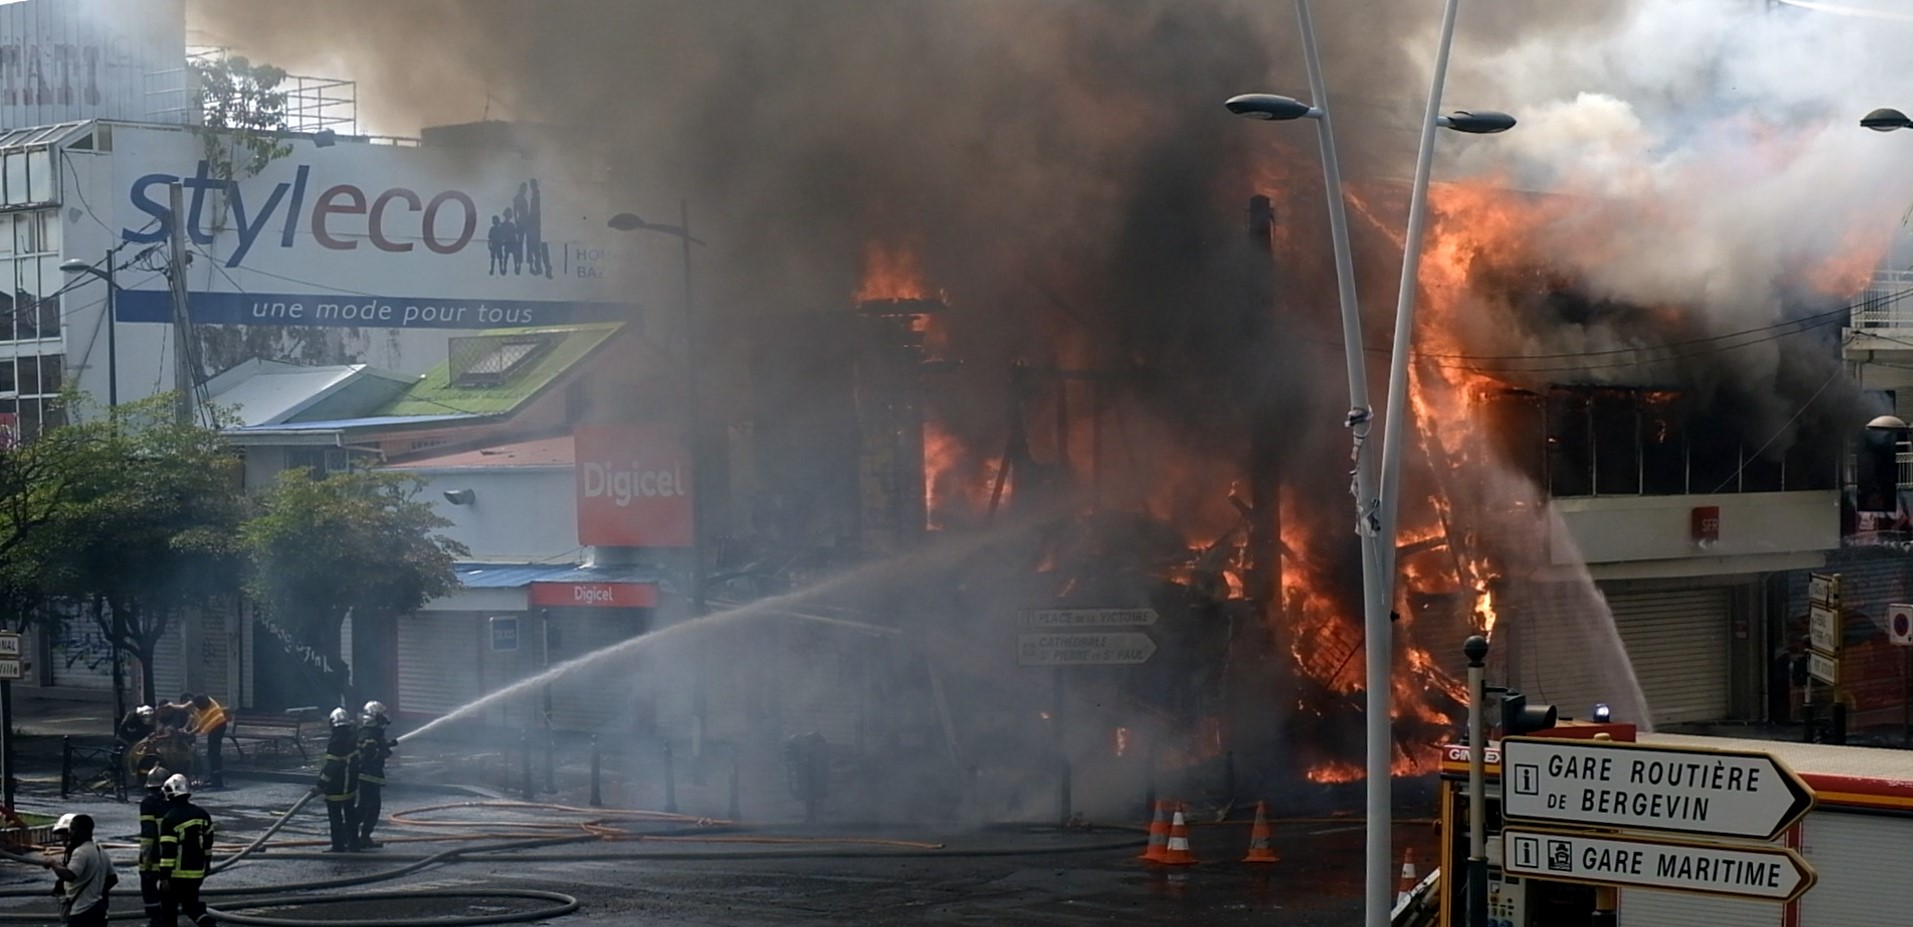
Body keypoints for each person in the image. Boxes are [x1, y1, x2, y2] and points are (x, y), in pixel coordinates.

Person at [156, 774, 214, 927]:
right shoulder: (202, 814)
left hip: (176, 874)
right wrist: (207, 865)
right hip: (197, 872)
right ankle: (205, 921)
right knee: (190, 905)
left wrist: (164, 876)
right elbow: (208, 845)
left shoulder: (170, 819)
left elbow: (168, 851)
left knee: (168, 910)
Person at [44, 813, 115, 927]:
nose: (69, 833)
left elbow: (70, 875)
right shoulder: (99, 849)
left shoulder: (80, 852)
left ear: (83, 831)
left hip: (81, 912)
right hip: (98, 909)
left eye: (73, 829)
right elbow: (112, 878)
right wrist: (96, 891)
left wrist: (53, 863)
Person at [316, 707, 361, 852]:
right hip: (351, 786)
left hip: (337, 786)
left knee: (335, 818)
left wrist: (321, 784)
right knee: (350, 816)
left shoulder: (335, 741)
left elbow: (332, 767)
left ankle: (338, 845)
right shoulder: (352, 737)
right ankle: (354, 844)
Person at [355, 700, 399, 849]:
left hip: (370, 774)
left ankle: (356, 836)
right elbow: (368, 753)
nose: (384, 717)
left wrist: (386, 746)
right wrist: (382, 752)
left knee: (366, 807)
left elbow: (374, 748)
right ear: (375, 716)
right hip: (369, 774)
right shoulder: (369, 732)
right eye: (381, 714)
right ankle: (357, 836)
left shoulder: (371, 731)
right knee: (370, 807)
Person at [137, 765, 171, 924]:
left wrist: (146, 857)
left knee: (148, 883)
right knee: (169, 887)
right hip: (170, 853)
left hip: (154, 853)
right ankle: (166, 916)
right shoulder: (174, 801)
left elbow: (148, 833)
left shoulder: (148, 803)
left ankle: (155, 918)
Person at [182, 693, 230, 789]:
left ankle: (216, 780)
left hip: (217, 727)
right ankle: (214, 777)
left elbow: (199, 725)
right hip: (217, 726)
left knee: (214, 754)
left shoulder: (202, 708)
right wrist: (190, 732)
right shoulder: (204, 705)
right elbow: (199, 725)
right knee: (213, 753)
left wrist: (169, 705)